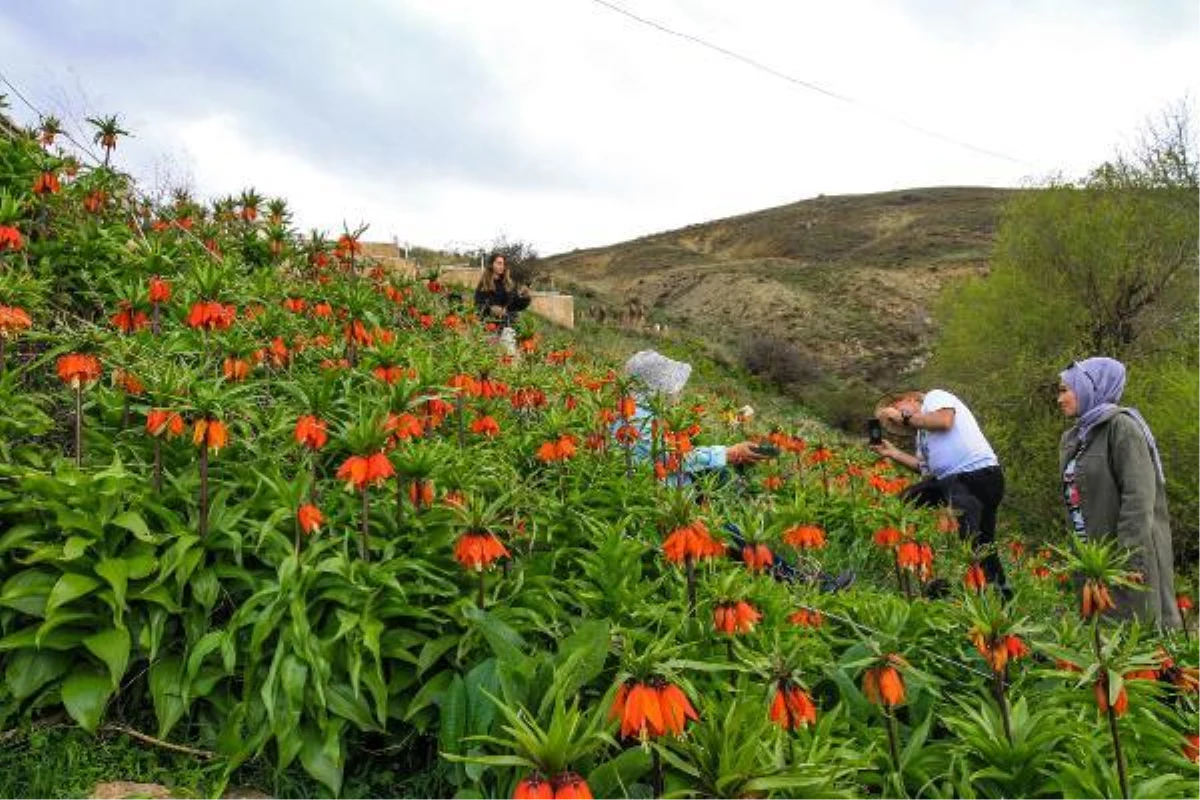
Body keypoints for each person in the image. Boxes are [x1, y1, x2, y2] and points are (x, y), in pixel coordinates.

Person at [1057, 357, 1181, 628]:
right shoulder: (1075, 437)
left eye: (1066, 389)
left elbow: (1138, 499)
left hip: (1122, 559)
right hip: (1091, 560)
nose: (1060, 398)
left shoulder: (1122, 428)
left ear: (1091, 388)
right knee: (1099, 641)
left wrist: (1129, 560)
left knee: (1134, 636)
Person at [872, 389, 1009, 595]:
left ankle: (997, 596)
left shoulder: (935, 398)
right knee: (904, 502)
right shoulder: (922, 437)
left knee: (976, 544)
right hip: (949, 481)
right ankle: (906, 553)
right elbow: (925, 470)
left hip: (976, 476)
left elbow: (945, 421)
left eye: (898, 409)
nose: (898, 421)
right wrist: (893, 453)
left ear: (909, 399)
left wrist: (902, 417)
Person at [474, 254, 531, 328]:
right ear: (491, 265)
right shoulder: (484, 284)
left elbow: (516, 306)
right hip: (489, 326)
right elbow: (478, 305)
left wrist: (525, 298)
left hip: (509, 325)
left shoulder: (508, 284)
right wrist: (491, 309)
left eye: (503, 264)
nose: (502, 266)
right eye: (499, 263)